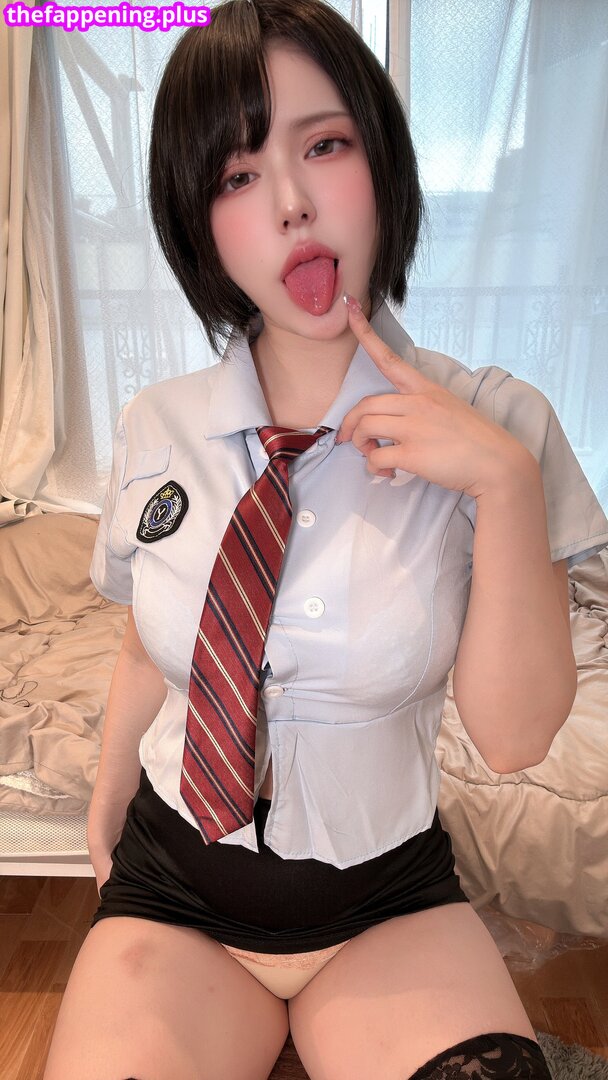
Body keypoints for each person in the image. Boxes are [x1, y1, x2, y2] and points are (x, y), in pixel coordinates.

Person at [44, 2, 608, 1078]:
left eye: (324, 145)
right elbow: (148, 644)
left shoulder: (499, 424)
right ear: (199, 221)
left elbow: (512, 740)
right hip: (176, 893)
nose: (291, 203)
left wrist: (502, 486)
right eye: (238, 175)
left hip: (385, 903)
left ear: (382, 165)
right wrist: (105, 806)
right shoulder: (155, 425)